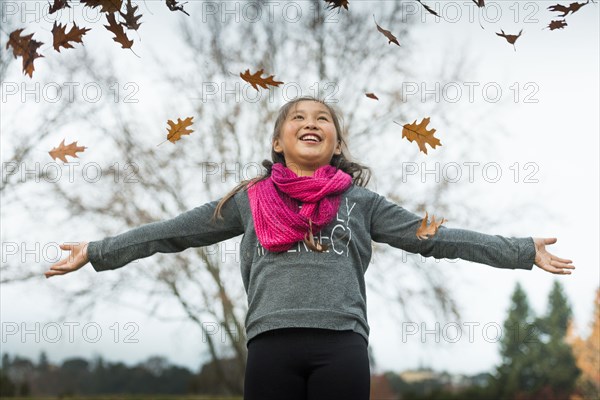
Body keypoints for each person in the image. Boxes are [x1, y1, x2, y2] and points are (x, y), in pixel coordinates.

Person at [44, 96, 575, 400]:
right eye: (297, 118)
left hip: (340, 345)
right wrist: (96, 250)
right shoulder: (249, 201)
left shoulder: (362, 203)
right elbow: (170, 231)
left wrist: (521, 249)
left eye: (322, 119)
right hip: (270, 346)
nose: (310, 124)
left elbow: (432, 238)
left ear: (337, 143)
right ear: (278, 141)